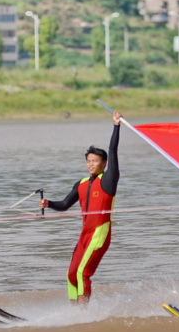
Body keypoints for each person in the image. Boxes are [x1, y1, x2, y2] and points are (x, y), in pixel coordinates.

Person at [40, 111, 122, 304]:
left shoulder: (109, 180)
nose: (90, 164)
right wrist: (49, 203)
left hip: (99, 233)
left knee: (82, 273)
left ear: (103, 164)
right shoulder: (82, 183)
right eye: (88, 161)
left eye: (94, 161)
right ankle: (73, 312)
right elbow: (65, 204)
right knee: (71, 275)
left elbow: (113, 151)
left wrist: (116, 126)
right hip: (84, 234)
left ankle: (83, 315)